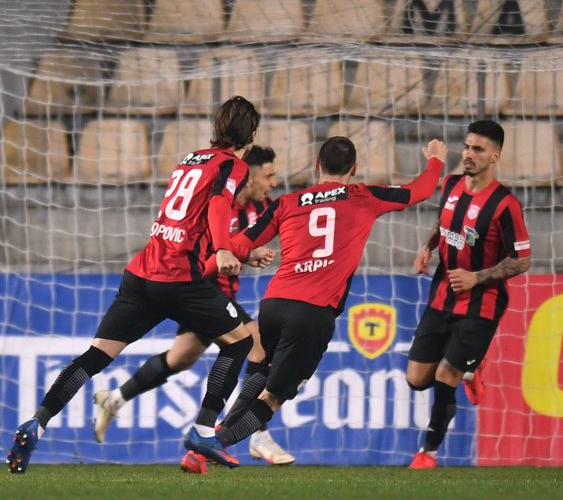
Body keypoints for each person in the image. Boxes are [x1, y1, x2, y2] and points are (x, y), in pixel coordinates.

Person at [7, 96, 266, 474]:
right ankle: (203, 431)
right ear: (252, 133)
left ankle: (37, 422)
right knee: (241, 341)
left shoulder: (190, 158)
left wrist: (236, 250)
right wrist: (226, 247)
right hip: (179, 278)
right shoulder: (234, 165)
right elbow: (216, 204)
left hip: (141, 273)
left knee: (93, 358)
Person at [201, 136, 447, 456]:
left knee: (262, 372)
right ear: (354, 169)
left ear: (317, 164)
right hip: (313, 312)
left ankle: (215, 437)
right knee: (274, 397)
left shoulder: (287, 203)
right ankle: (211, 444)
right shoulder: (363, 196)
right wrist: (437, 161)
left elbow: (240, 243)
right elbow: (420, 191)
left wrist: (198, 273)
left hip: (275, 303)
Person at [91, 145, 296, 472]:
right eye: (268, 176)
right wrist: (239, 254)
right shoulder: (216, 206)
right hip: (198, 290)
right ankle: (256, 433)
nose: (273, 183)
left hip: (215, 295)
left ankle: (113, 399)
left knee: (181, 358)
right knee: (256, 344)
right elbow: (198, 263)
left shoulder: (264, 208)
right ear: (250, 174)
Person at [407, 120, 532, 469]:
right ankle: (472, 370)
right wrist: (427, 247)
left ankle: (428, 452)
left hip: (482, 303)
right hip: (442, 295)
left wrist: (477, 277)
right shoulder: (450, 184)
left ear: (495, 156)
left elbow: (522, 259)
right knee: (417, 379)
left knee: (446, 375)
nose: (468, 154)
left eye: (478, 149)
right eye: (466, 147)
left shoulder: (505, 204)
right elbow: (443, 223)